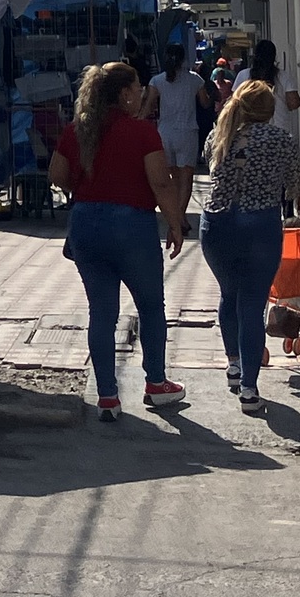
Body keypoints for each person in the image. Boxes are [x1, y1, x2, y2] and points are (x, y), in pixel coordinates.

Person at [49, 61, 189, 420]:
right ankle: (156, 384)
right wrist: (175, 223)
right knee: (151, 306)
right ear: (125, 93)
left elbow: (57, 174)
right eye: (138, 86)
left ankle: (107, 397)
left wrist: (87, 189)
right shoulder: (142, 133)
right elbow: (160, 182)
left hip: (86, 225)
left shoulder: (77, 131)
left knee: (102, 313)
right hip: (132, 229)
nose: (142, 91)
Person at [200, 80, 300, 416]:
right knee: (252, 304)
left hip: (216, 227)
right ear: (270, 110)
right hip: (260, 226)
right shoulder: (281, 140)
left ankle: (233, 365)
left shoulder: (219, 135)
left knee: (229, 295)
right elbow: (292, 187)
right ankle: (249, 387)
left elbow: (209, 166)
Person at [144, 44, 213, 231]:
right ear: (184, 59)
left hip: (164, 132)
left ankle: (176, 218)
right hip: (188, 132)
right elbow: (205, 102)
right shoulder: (195, 80)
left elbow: (149, 106)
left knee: (173, 178)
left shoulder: (157, 80)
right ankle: (180, 217)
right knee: (186, 178)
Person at [233, 40, 300, 125]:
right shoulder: (283, 76)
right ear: (274, 57)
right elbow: (294, 103)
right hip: (278, 127)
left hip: (248, 129)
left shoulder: (243, 75)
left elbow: (234, 102)